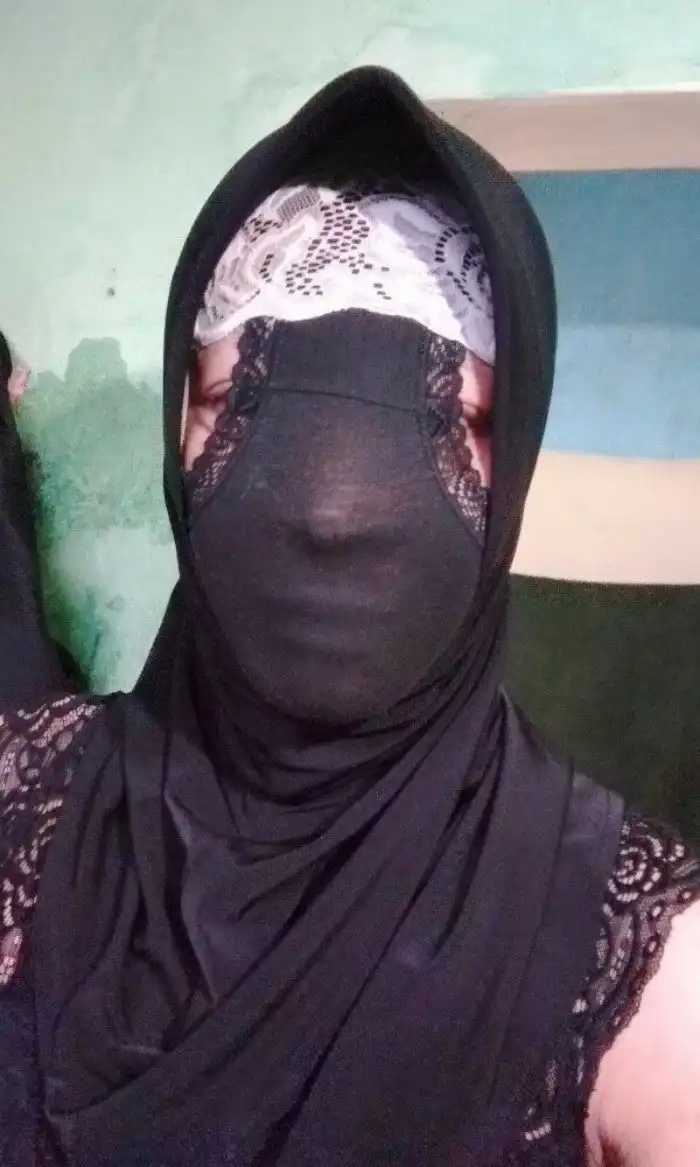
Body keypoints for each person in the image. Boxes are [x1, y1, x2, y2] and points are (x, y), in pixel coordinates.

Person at [1, 66, 699, 1167]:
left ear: (515, 453)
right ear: (178, 434)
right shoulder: (25, 797)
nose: (332, 509)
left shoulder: (644, 971)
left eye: (453, 416)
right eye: (239, 400)